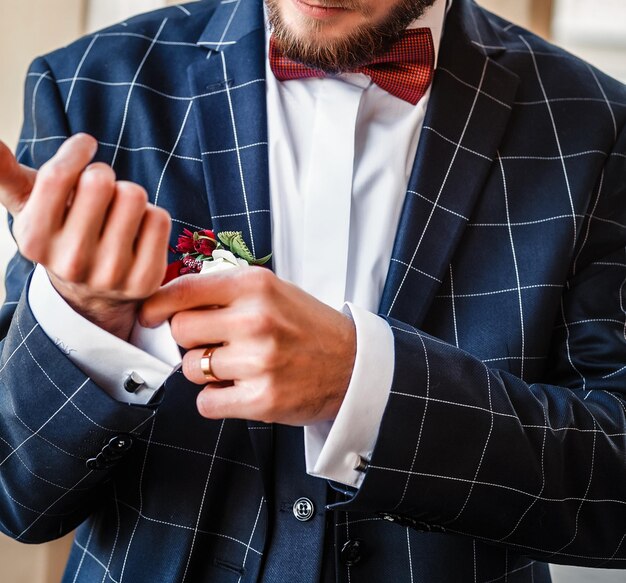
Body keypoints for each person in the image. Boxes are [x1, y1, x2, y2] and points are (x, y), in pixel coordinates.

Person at [0, 0, 625, 581]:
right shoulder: (88, 86)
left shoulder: (599, 127)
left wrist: (366, 384)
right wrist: (83, 316)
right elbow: (19, 495)